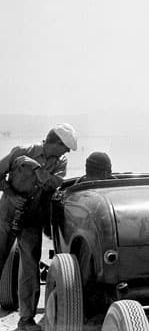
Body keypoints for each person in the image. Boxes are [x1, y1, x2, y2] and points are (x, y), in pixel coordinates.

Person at [0, 124, 77, 331]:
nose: (67, 152)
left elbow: (54, 184)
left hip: (32, 220)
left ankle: (26, 320)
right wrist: (11, 195)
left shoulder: (61, 162)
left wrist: (34, 168)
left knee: (30, 270)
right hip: (6, 216)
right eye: (65, 147)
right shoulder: (22, 151)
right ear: (55, 142)